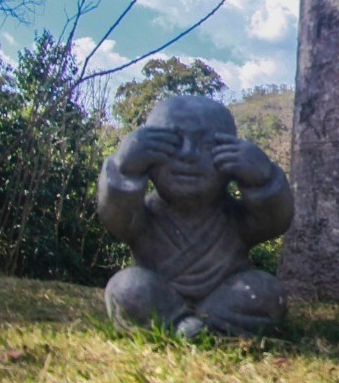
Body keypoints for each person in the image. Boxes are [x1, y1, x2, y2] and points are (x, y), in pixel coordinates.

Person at [99, 95, 293, 337]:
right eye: (172, 144)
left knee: (267, 292)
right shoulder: (143, 214)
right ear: (146, 158)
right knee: (125, 287)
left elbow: (275, 222)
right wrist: (124, 168)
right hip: (158, 295)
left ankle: (201, 324)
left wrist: (263, 178)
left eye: (206, 146)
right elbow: (115, 219)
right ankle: (181, 323)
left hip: (225, 297)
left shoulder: (232, 215)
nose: (188, 154)